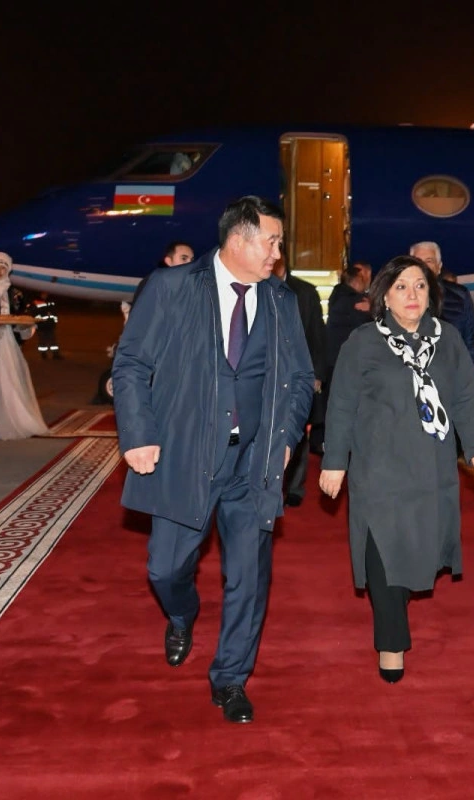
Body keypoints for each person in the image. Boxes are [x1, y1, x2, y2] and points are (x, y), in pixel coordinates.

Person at [112, 196, 314, 723]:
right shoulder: (172, 287)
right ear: (238, 240)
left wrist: (286, 439)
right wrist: (138, 434)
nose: (277, 252)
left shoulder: (281, 299)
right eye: (271, 241)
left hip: (254, 463)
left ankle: (230, 679)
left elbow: (299, 379)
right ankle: (182, 614)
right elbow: (131, 363)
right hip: (186, 456)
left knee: (248, 577)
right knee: (165, 569)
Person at [319, 255, 474, 684]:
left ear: (432, 294)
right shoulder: (364, 341)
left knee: (416, 550)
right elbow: (341, 405)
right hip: (378, 470)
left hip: (431, 469)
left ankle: (398, 613)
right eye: (401, 287)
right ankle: (392, 643)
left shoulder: (448, 339)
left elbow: (466, 399)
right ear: (384, 296)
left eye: (420, 285)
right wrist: (335, 461)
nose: (412, 294)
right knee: (383, 554)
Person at [0, 252, 48, 439]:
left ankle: (15, 419)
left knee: (12, 378)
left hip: (11, 344)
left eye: (2, 268)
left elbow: (25, 316)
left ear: (8, 270)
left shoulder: (17, 294)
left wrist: (22, 325)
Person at [272, 257, 326, 506]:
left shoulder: (305, 292)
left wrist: (317, 374)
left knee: (297, 430)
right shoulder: (257, 287)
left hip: (298, 373)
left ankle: (294, 487)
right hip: (267, 374)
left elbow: (317, 334)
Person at [410, 241, 474, 387]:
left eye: (429, 261)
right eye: (418, 261)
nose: (423, 266)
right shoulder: (396, 297)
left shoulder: (460, 296)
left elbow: (471, 346)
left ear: (439, 267)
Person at [131, 241, 195, 307]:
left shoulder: (191, 285)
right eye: (184, 259)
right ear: (169, 261)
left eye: (192, 260)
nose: (190, 264)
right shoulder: (152, 284)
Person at [31, 292, 61, 359]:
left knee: (53, 340)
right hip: (41, 325)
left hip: (50, 324)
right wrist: (39, 320)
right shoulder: (36, 302)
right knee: (42, 340)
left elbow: (54, 312)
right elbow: (33, 313)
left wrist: (54, 322)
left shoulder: (50, 301)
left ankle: (55, 354)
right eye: (43, 294)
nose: (45, 295)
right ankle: (43, 354)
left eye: (46, 294)